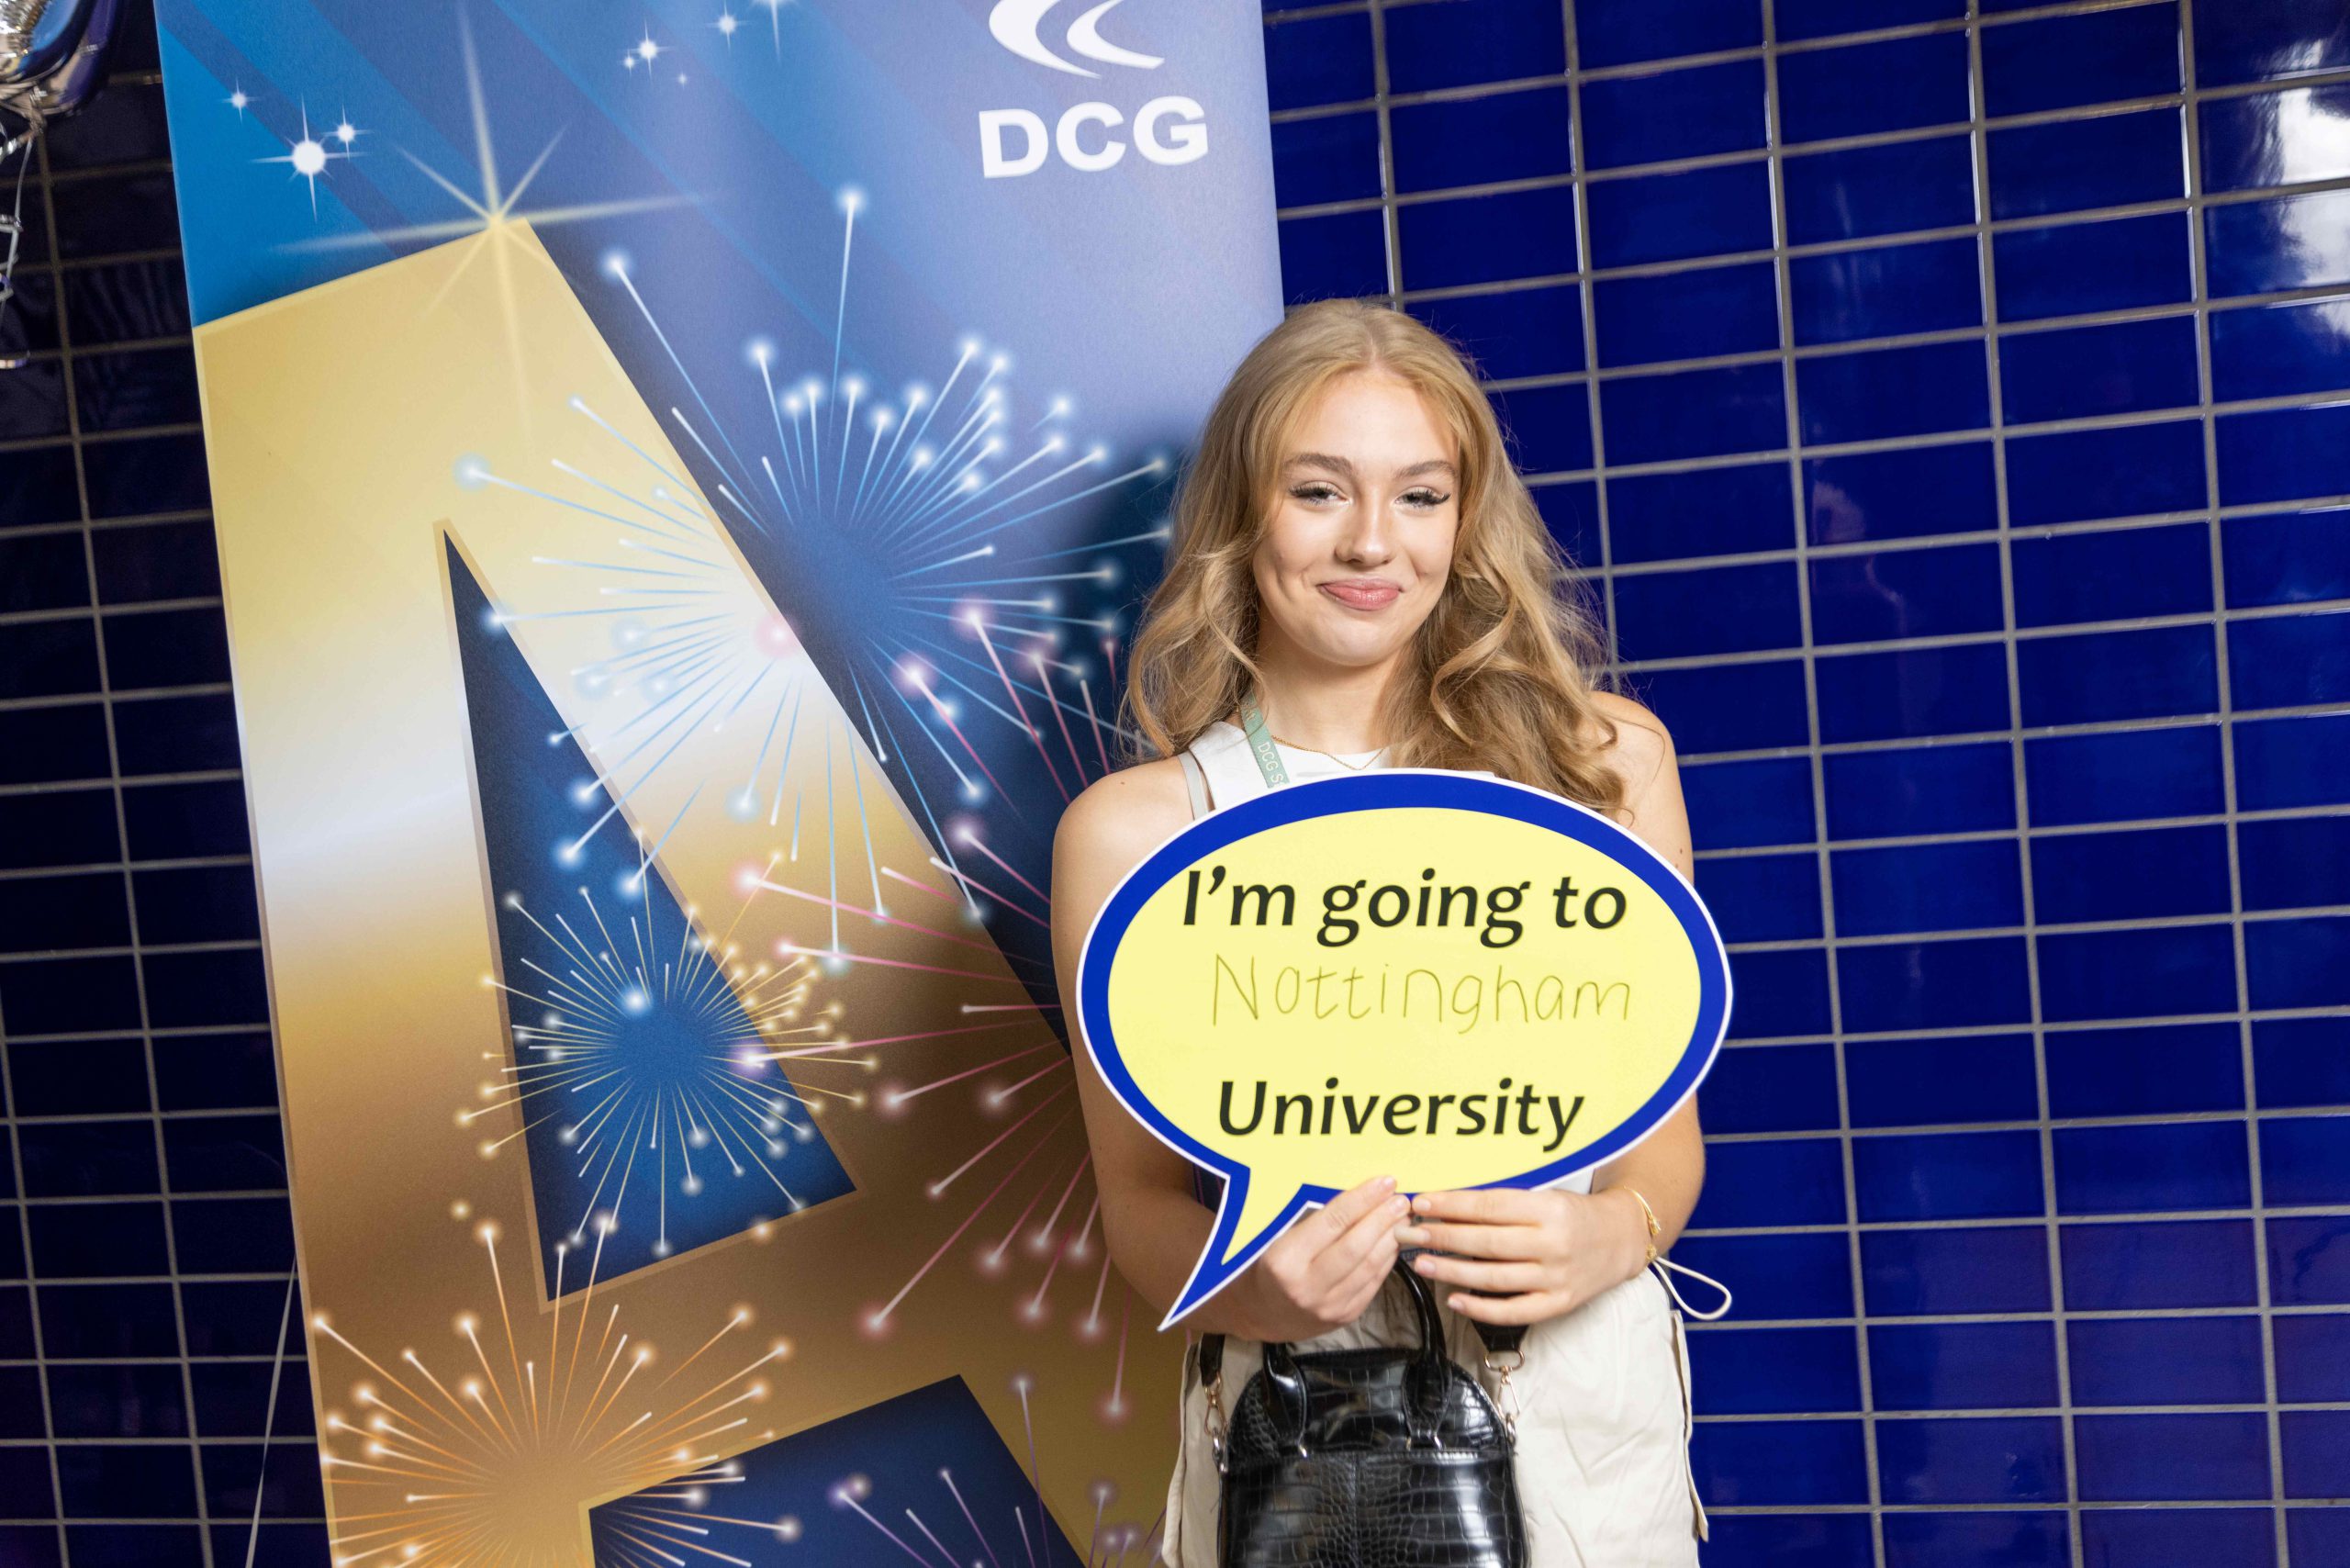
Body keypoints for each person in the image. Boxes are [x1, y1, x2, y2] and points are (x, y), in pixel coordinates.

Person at [1048, 298, 1713, 1566]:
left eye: (1419, 496)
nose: (1371, 543)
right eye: (1317, 491)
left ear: (1466, 525)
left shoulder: (1599, 769)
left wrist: (1605, 1238)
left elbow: (1665, 1153)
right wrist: (1262, 1291)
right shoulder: (1138, 836)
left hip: (1586, 1435)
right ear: (1245, 515)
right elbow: (1138, 1209)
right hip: (1304, 1447)